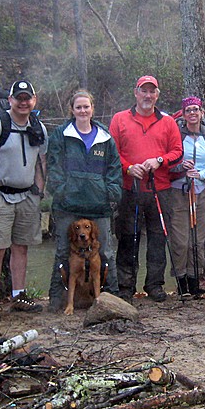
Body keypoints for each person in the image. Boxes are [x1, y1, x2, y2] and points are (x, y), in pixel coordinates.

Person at [0, 79, 48, 320]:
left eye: (27, 97)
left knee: (21, 247)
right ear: (10, 100)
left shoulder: (38, 126)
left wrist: (39, 188)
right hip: (1, 195)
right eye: (19, 98)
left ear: (34, 100)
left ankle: (19, 295)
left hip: (28, 195)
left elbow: (42, 160)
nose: (23, 102)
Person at [46, 89, 122, 311]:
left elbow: (114, 169)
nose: (82, 110)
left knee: (106, 252)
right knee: (62, 252)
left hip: (99, 207)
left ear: (92, 109)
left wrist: (110, 193)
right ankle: (57, 299)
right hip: (67, 206)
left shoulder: (105, 137)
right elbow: (53, 166)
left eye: (86, 106)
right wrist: (61, 191)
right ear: (72, 109)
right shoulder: (61, 135)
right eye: (78, 107)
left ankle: (112, 299)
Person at [109, 75, 183, 302]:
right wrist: (129, 167)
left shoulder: (168, 122)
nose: (148, 96)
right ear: (136, 92)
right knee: (128, 237)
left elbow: (177, 151)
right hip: (130, 188)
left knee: (158, 238)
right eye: (144, 91)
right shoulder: (120, 119)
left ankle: (154, 284)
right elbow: (113, 153)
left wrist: (159, 161)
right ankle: (125, 285)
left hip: (160, 189)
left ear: (157, 95)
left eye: (152, 92)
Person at [165, 97, 205, 298]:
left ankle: (195, 281)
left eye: (195, 109)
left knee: (198, 239)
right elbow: (168, 162)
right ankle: (181, 284)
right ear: (183, 114)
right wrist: (181, 168)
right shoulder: (177, 135)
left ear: (202, 112)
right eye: (188, 110)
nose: (192, 113)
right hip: (179, 191)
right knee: (181, 240)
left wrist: (202, 174)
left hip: (202, 191)